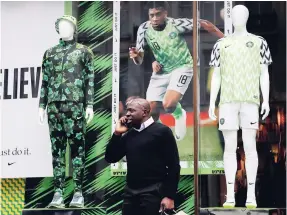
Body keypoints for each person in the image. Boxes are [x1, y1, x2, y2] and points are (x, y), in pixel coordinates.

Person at [129, 1, 224, 141]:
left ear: (165, 14)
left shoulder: (176, 24)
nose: (154, 18)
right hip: (161, 70)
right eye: (151, 15)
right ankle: (157, 140)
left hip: (182, 67)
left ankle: (179, 114)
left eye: (158, 14)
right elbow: (139, 60)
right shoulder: (143, 29)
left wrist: (227, 40)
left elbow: (205, 23)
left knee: (168, 105)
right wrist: (136, 56)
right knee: (149, 111)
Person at [105, 98, 181, 215]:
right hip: (130, 194)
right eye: (127, 111)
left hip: (153, 193)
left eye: (132, 110)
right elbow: (110, 158)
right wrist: (117, 134)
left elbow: (173, 166)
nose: (127, 114)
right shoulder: (129, 134)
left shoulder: (162, 131)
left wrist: (169, 196)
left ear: (145, 112)